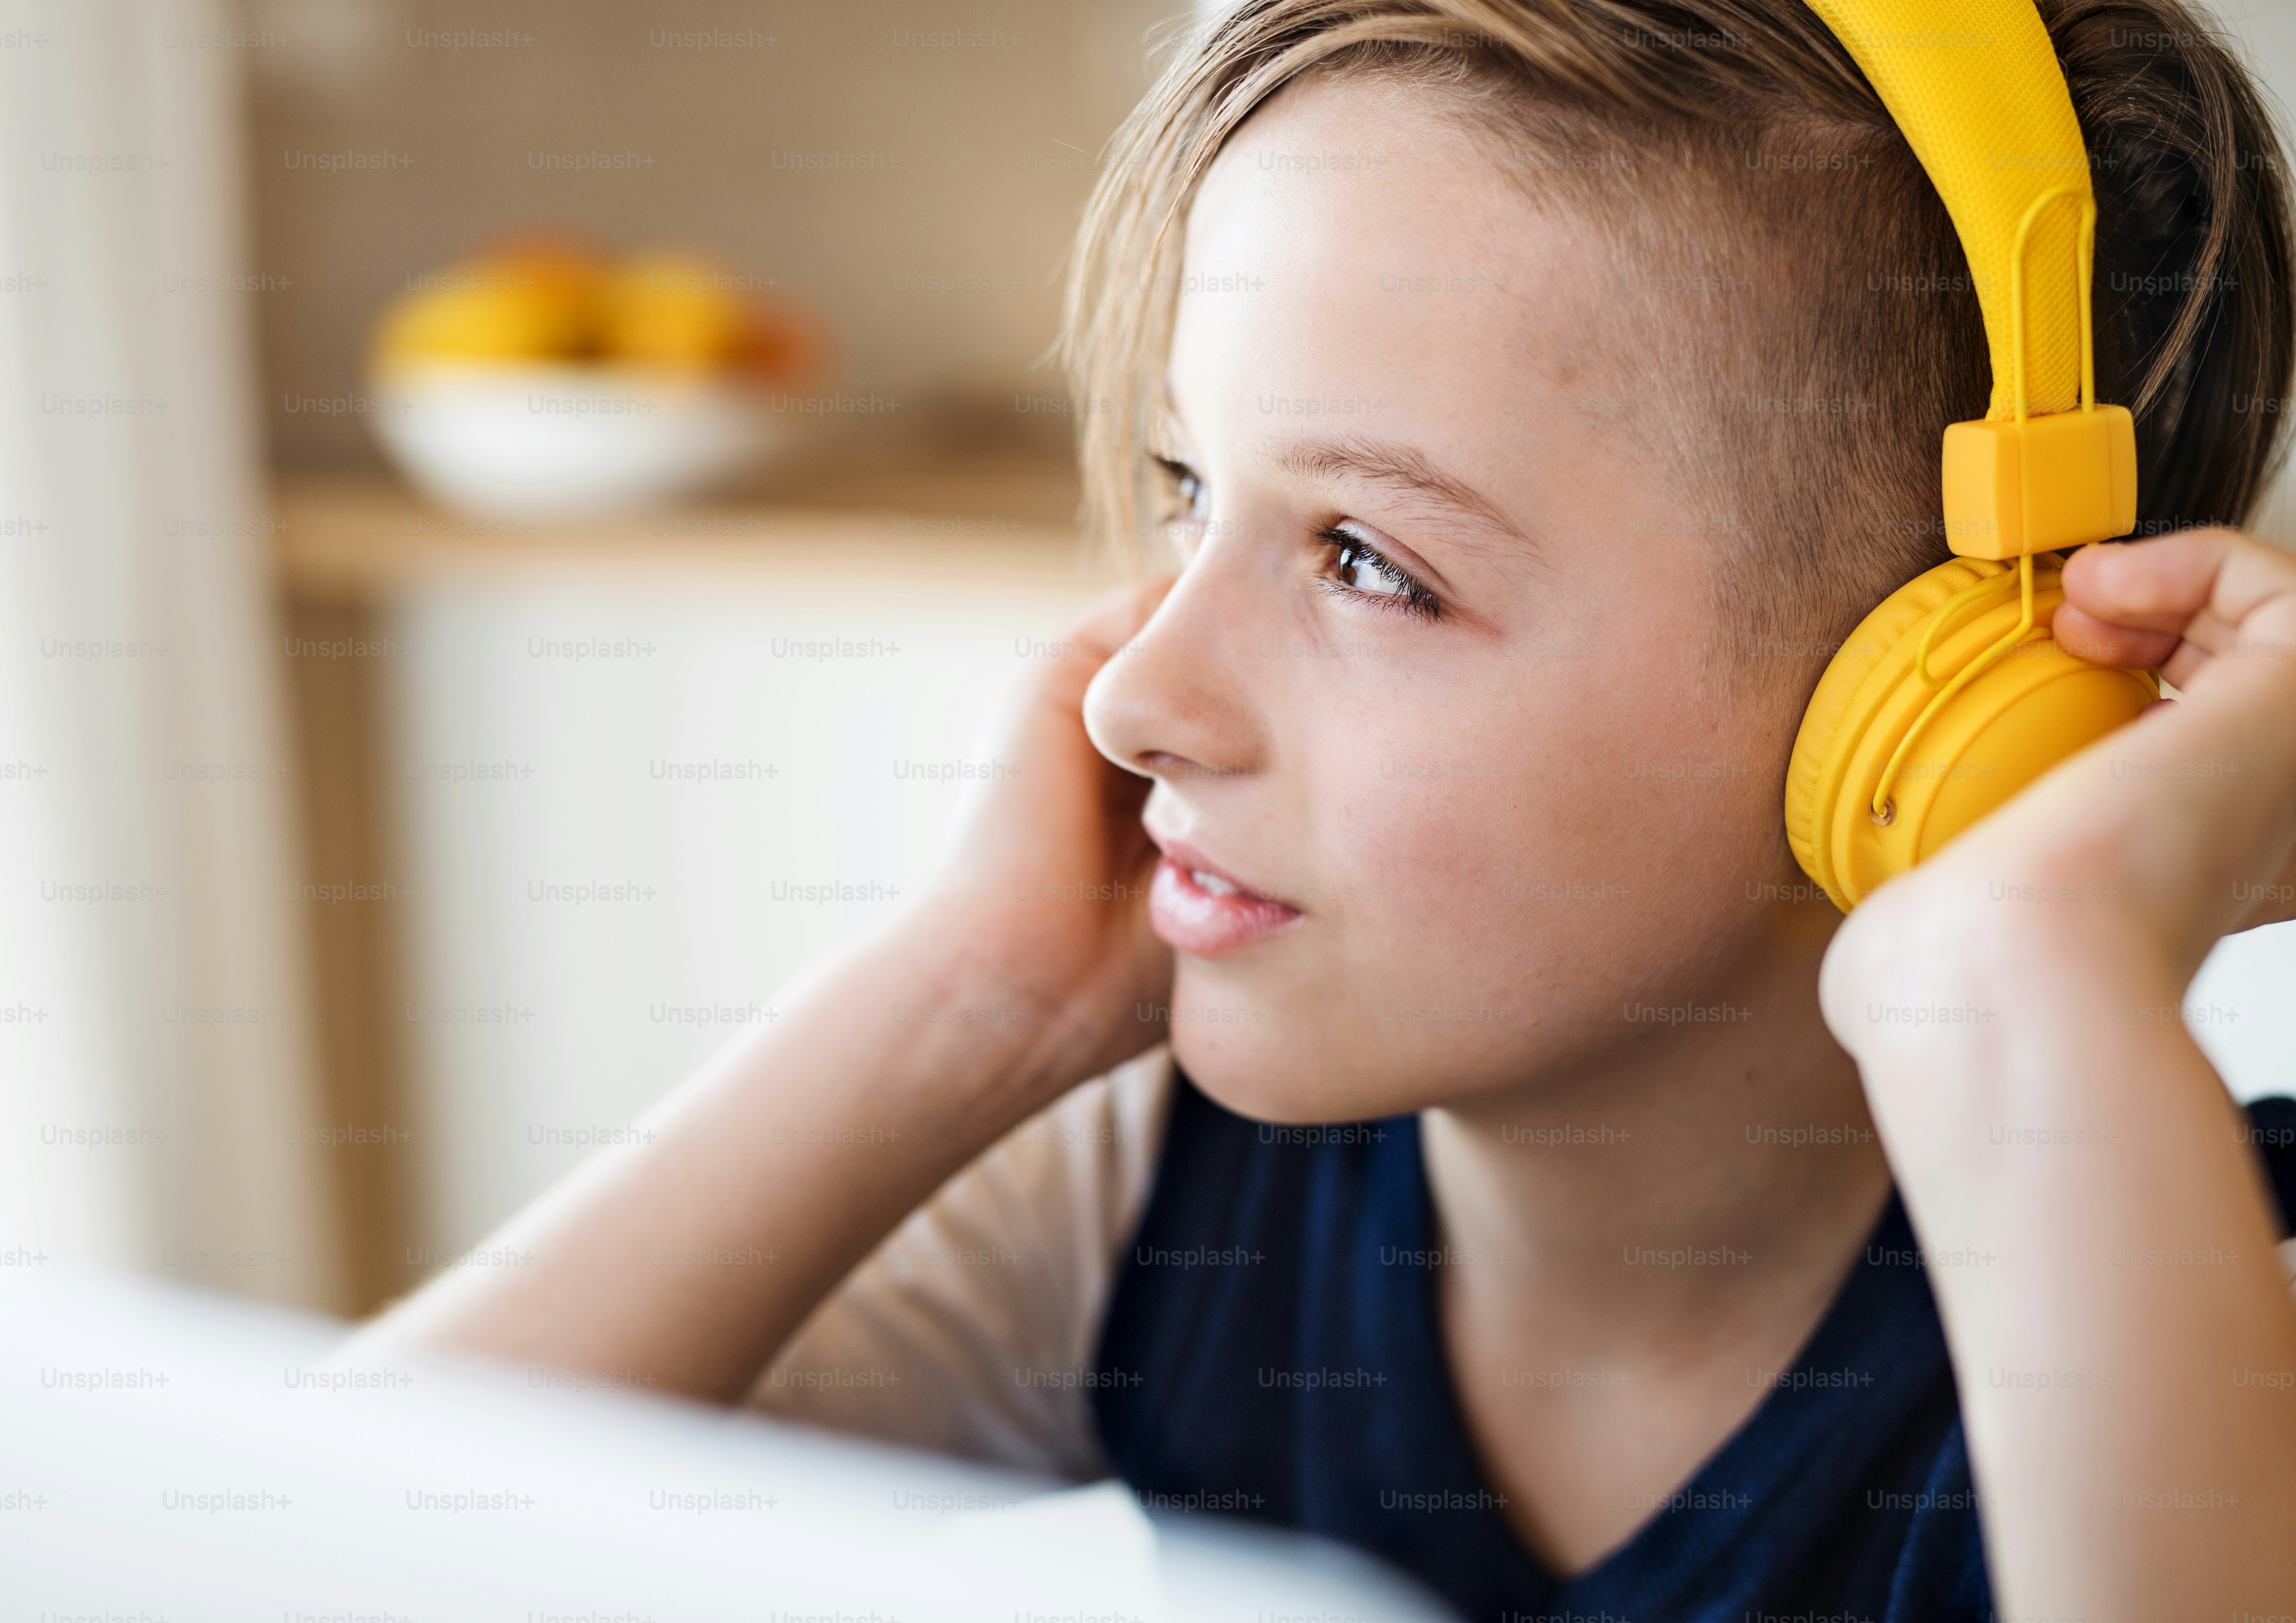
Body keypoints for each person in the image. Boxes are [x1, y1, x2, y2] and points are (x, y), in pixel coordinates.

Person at [348, 2, 2296, 1616]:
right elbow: (340, 1559)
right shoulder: (1151, 1200)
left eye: (1369, 558)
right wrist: (964, 1009)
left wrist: (2034, 957)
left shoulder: (2213, 1320)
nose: (1131, 695)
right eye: (1192, 486)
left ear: (1948, 710)